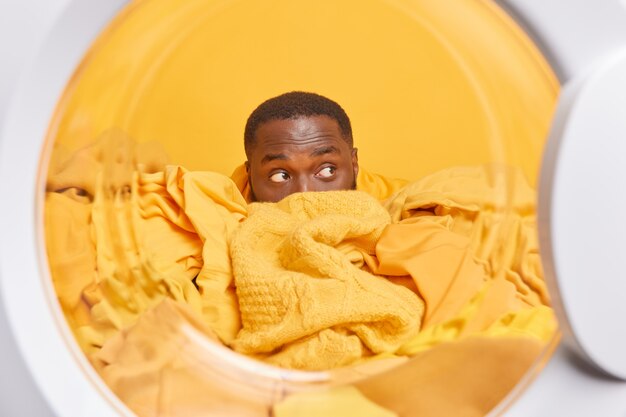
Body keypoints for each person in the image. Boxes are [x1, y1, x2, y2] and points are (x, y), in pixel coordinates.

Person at [244, 91, 359, 202]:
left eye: (327, 171)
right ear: (249, 176)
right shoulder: (228, 216)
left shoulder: (377, 209)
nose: (304, 194)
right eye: (280, 176)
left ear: (354, 165)